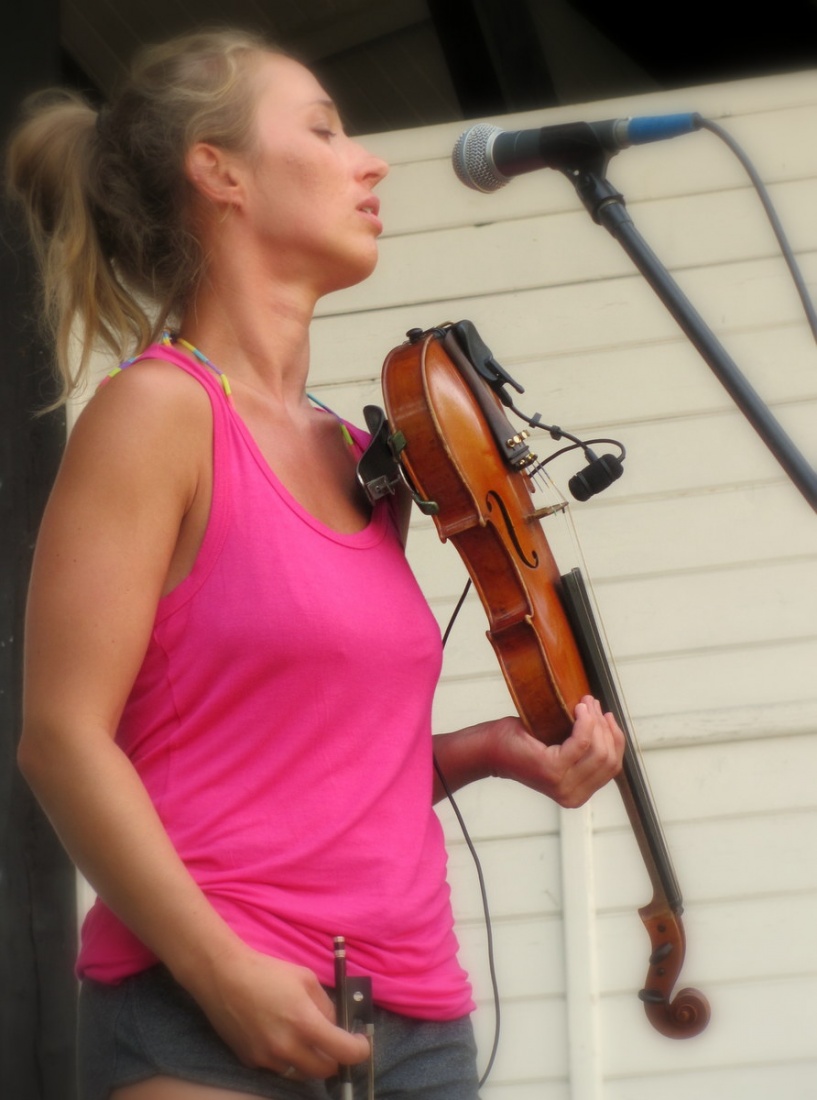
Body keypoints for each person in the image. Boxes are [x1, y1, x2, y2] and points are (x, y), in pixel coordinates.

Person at [7, 28, 625, 1100]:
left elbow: (304, 772)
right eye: (326, 131)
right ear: (220, 172)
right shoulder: (158, 413)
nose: (369, 161)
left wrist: (483, 750)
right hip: (205, 1018)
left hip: (421, 1022)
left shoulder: (357, 455)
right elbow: (60, 739)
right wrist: (219, 972)